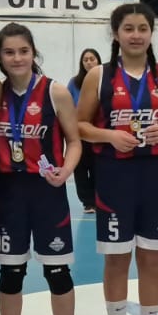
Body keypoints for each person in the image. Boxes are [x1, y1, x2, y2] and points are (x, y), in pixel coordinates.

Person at [77, 4, 158, 315]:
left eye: (142, 28)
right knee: (117, 258)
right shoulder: (99, 76)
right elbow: (79, 125)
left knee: (151, 258)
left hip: (156, 177)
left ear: (151, 33)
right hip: (114, 177)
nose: (136, 35)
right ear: (116, 33)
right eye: (128, 28)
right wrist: (110, 135)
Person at [0, 23, 85, 315]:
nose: (17, 58)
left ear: (34, 53)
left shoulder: (54, 91)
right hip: (8, 192)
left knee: (58, 273)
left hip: (48, 192)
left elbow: (74, 141)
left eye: (23, 51)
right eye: (9, 52)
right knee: (11, 273)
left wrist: (66, 170)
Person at [67, 47, 102, 212]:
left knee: (97, 167)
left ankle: (98, 199)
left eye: (92, 59)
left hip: (99, 132)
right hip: (79, 133)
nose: (89, 62)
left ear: (98, 60)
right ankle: (88, 202)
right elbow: (67, 106)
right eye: (85, 60)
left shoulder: (105, 80)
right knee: (80, 168)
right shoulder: (74, 83)